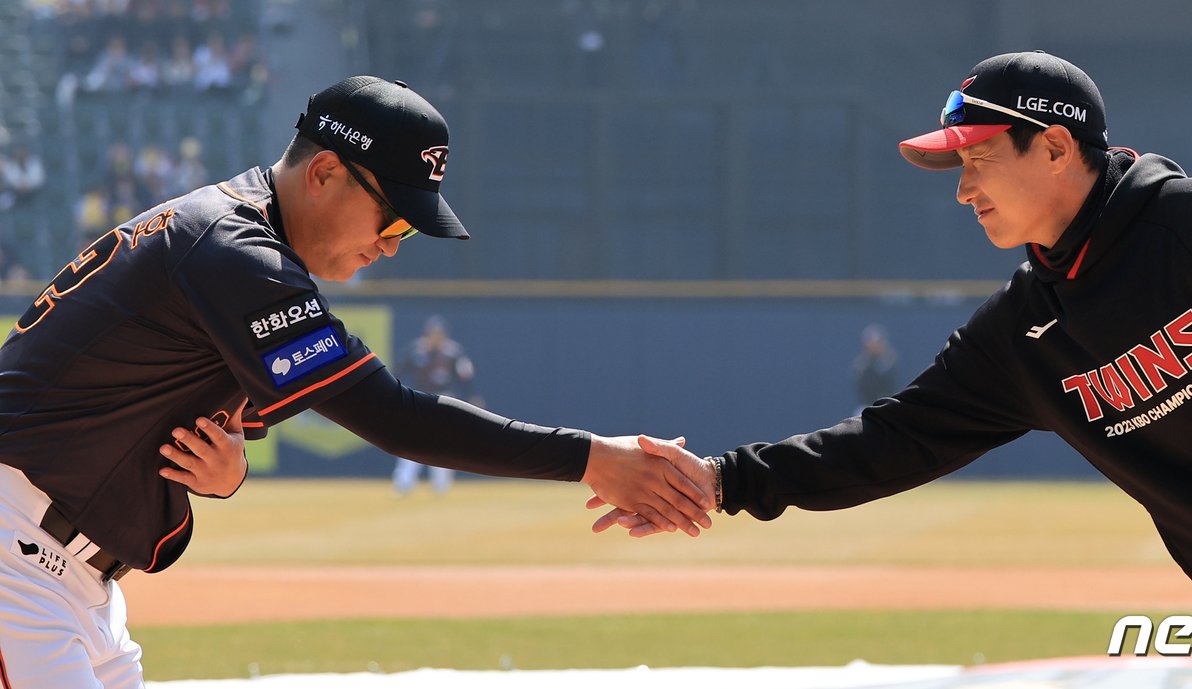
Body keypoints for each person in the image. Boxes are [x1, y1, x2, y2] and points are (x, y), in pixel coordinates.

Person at [593, 51, 1192, 687]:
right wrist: (724, 480)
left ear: (1054, 147)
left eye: (976, 158)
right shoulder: (1024, 332)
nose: (963, 188)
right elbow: (892, 439)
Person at [0, 75, 712, 689]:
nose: (393, 244)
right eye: (395, 216)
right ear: (324, 173)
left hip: (70, 576)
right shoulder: (233, 250)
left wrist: (228, 471)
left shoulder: (236, 241)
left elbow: (192, 431)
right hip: (17, 558)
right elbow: (394, 417)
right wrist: (592, 458)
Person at [392, 314, 481, 496]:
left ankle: (441, 485)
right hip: (419, 398)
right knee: (412, 442)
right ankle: (404, 483)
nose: (436, 336)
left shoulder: (453, 352)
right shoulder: (417, 350)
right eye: (433, 333)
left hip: (445, 398)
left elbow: (465, 378)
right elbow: (397, 370)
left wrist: (473, 396)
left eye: (439, 333)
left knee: (443, 444)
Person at [851, 323, 898, 411]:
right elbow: (863, 388)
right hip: (866, 405)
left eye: (878, 343)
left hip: (887, 405)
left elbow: (890, 384)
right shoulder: (862, 365)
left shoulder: (889, 362)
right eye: (871, 343)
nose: (874, 346)